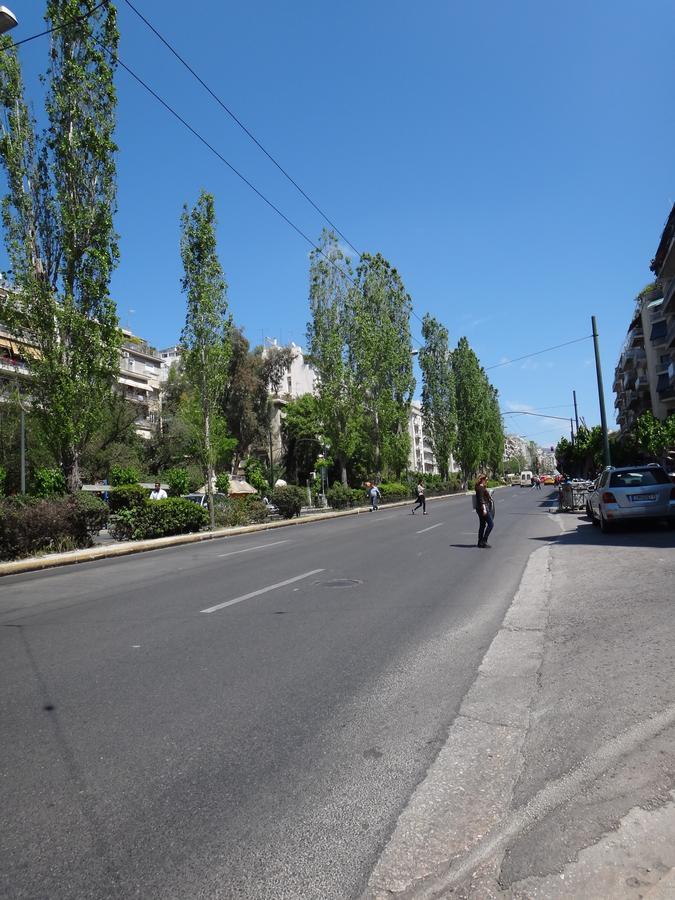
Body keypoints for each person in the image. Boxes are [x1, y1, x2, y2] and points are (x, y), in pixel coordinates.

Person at [475, 474, 494, 548]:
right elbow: (481, 499)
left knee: (482, 525)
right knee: (491, 524)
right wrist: (484, 509)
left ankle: (480, 542)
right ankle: (484, 541)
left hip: (480, 509)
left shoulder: (479, 487)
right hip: (483, 508)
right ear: (482, 480)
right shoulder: (480, 488)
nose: (487, 481)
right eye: (486, 479)